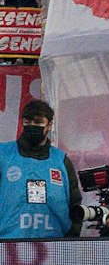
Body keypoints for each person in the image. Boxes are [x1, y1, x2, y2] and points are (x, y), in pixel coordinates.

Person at [0, 98, 79, 239]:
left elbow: (75, 203)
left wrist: (71, 236)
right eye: (27, 121)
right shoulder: (3, 154)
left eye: (38, 122)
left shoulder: (61, 161)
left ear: (49, 125)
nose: (32, 125)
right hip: (7, 243)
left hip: (54, 243)